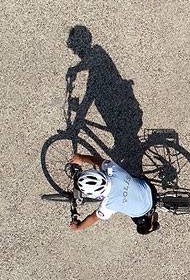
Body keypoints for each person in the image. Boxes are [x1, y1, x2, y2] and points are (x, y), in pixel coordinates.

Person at [65, 26, 143, 157]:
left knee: (126, 157)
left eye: (75, 48)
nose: (75, 53)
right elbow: (90, 92)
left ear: (81, 44)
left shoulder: (98, 54)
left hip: (126, 115)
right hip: (124, 117)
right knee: (124, 155)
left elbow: (90, 94)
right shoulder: (96, 67)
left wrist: (79, 117)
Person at [66, 153, 159, 235]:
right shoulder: (112, 170)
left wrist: (78, 228)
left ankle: (151, 224)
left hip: (144, 210)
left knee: (141, 229)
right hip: (149, 188)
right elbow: (97, 160)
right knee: (131, 178)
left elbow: (93, 218)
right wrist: (81, 157)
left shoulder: (109, 204)